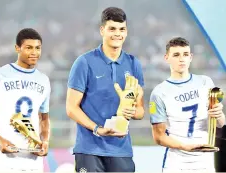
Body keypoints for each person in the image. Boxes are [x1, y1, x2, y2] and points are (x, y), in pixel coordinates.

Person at [66, 7, 144, 172]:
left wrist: (133, 112)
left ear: (126, 32)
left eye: (122, 29)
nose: (118, 34)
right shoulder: (84, 62)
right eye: (112, 29)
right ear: (102, 30)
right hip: (90, 149)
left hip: (121, 150)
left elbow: (140, 110)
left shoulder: (133, 64)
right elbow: (71, 108)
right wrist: (97, 129)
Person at [149, 37, 225, 172]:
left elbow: (221, 124)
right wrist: (185, 147)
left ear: (191, 57)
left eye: (185, 54)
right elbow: (159, 137)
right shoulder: (159, 93)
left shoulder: (205, 82)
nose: (181, 59)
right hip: (177, 164)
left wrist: (219, 114)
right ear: (166, 58)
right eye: (176, 55)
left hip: (205, 162)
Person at [0, 28, 51, 172]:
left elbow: (44, 118)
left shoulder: (44, 80)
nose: (34, 52)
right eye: (29, 48)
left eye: (38, 48)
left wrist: (45, 141)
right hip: (3, 158)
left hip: (32, 159)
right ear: (17, 48)